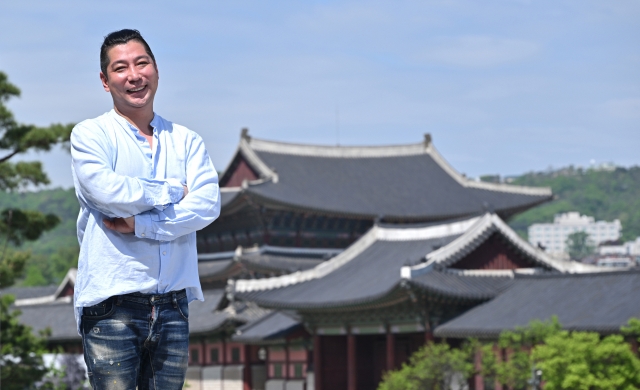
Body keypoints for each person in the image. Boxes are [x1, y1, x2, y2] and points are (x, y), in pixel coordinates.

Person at [70, 29, 221, 389]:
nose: (134, 75)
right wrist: (171, 190)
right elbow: (106, 192)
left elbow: (207, 204)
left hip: (173, 304)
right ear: (105, 82)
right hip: (113, 303)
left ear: (156, 69)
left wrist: (142, 225)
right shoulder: (91, 135)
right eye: (121, 68)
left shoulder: (186, 141)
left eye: (142, 63)